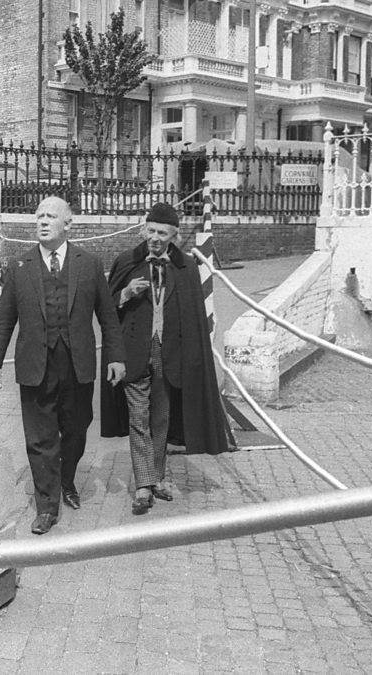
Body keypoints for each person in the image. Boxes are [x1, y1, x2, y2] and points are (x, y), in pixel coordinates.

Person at [0, 197, 125, 535]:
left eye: (50, 216)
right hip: (35, 364)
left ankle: (66, 478)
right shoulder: (20, 266)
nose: (42, 222)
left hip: (77, 364)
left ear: (68, 224)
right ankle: (47, 506)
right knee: (40, 438)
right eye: (39, 216)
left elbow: (108, 316)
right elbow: (5, 318)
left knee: (77, 429)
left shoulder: (89, 264)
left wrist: (116, 356)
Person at [99, 203, 231, 516]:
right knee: (138, 419)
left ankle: (156, 477)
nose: (155, 238)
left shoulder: (186, 268)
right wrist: (125, 294)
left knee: (160, 419)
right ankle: (144, 485)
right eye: (151, 231)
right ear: (143, 230)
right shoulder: (126, 262)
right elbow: (105, 309)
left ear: (174, 235)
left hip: (169, 356)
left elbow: (195, 319)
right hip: (134, 354)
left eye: (163, 233)